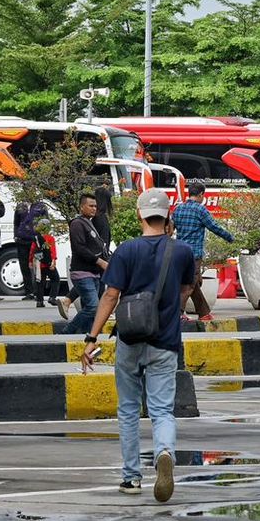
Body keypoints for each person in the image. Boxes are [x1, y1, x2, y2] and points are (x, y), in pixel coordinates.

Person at [80, 188, 195, 503]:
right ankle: (165, 453)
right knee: (161, 409)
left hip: (130, 338)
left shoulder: (126, 251)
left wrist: (92, 338)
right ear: (167, 215)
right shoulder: (182, 251)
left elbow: (110, 295)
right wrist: (173, 312)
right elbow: (186, 290)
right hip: (166, 342)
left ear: (139, 215)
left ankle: (131, 478)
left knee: (129, 409)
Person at [172, 182, 234, 321]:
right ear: (200, 194)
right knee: (189, 284)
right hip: (194, 254)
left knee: (195, 283)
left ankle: (204, 313)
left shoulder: (178, 209)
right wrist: (230, 238)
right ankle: (177, 313)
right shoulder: (200, 210)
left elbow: (170, 229)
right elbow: (214, 227)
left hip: (179, 252)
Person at [63, 193, 109, 336]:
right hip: (82, 273)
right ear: (82, 207)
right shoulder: (77, 224)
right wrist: (99, 261)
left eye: (95, 206)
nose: (94, 209)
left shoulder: (89, 222)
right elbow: (80, 248)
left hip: (93, 273)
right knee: (93, 307)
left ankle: (88, 334)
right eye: (91, 206)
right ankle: (68, 331)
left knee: (89, 307)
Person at [14, 201, 40, 300]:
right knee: (24, 266)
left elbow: (45, 222)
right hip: (22, 242)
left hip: (35, 241)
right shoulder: (20, 206)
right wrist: (16, 236)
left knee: (38, 266)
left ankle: (38, 292)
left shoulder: (40, 206)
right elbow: (16, 223)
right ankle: (29, 292)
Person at [30, 227, 60, 308]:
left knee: (40, 282)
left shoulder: (36, 238)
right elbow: (52, 251)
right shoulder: (50, 238)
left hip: (39, 264)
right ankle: (52, 297)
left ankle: (39, 301)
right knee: (55, 279)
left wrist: (30, 261)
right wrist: (53, 261)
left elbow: (32, 250)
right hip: (48, 263)